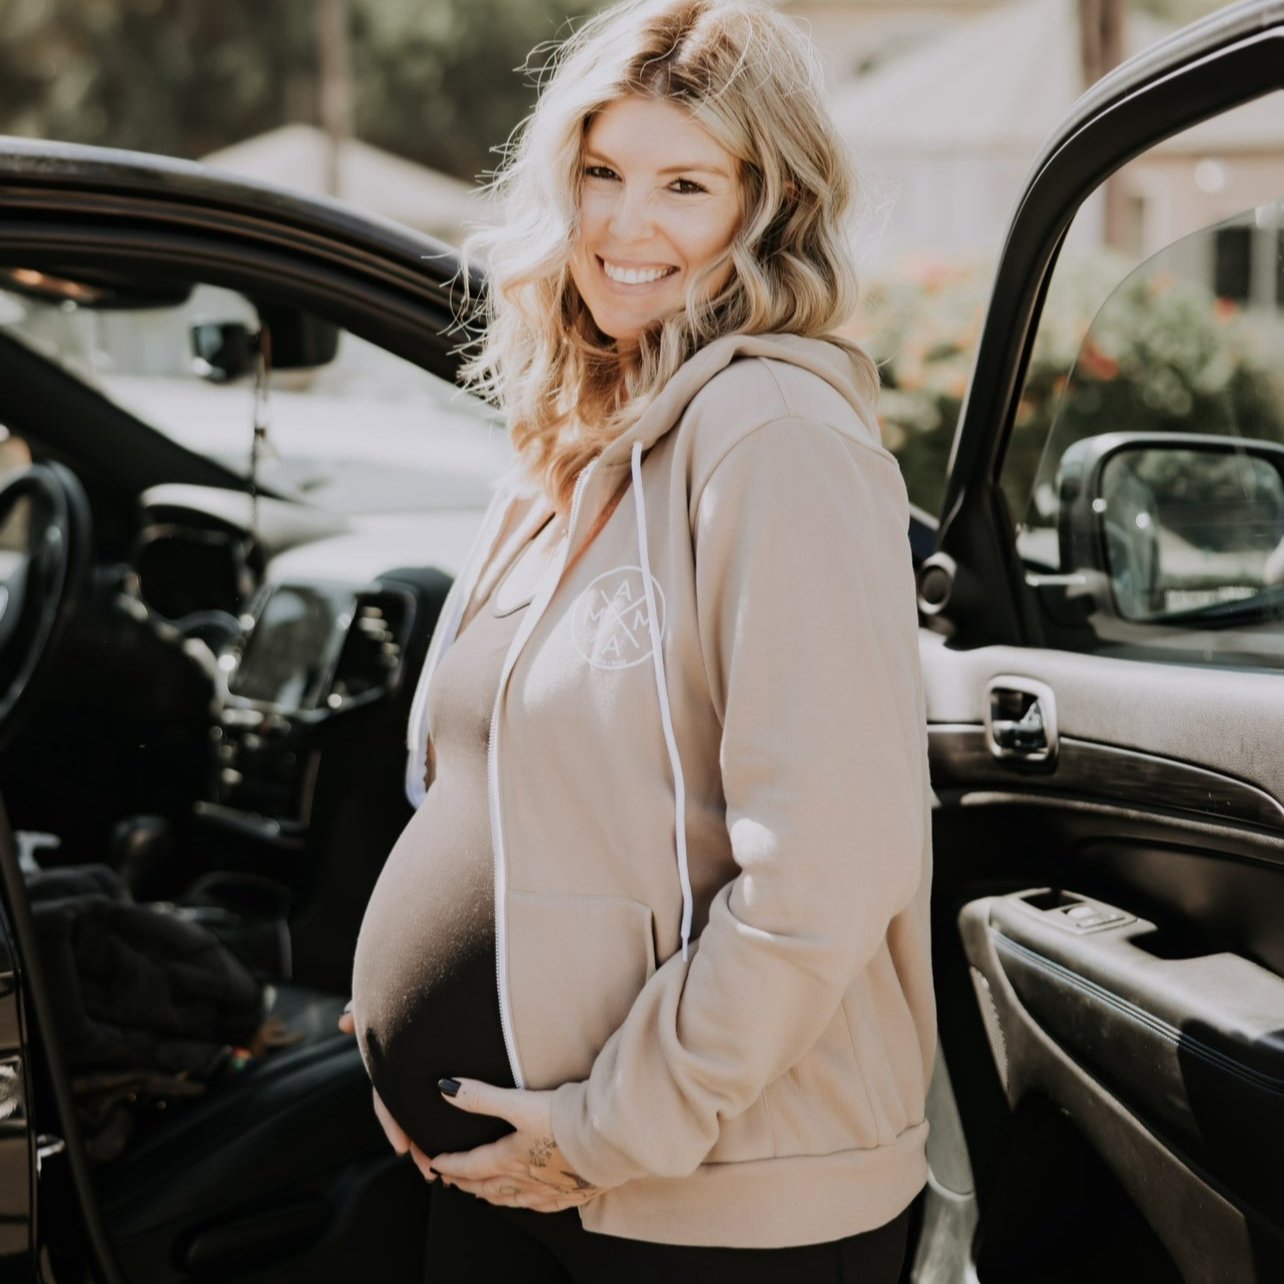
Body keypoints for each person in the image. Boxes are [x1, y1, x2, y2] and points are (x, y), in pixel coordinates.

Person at [341, 0, 935, 1278]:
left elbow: (824, 867)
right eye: (601, 173)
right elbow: (497, 792)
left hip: (700, 1208)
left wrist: (612, 1127)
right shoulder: (578, 442)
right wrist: (404, 1028)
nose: (624, 224)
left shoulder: (774, 438)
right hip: (527, 1181)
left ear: (765, 204)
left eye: (684, 182)